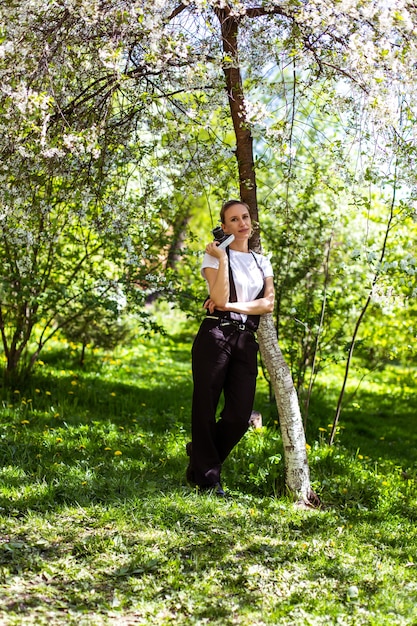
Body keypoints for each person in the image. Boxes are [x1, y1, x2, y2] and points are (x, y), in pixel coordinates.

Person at [186, 199, 275, 496]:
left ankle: (199, 455)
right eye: (234, 220)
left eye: (245, 217)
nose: (242, 224)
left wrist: (233, 306)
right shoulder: (213, 257)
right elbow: (218, 294)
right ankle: (209, 480)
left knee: (239, 415)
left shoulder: (262, 261)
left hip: (245, 341)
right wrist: (223, 259)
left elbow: (268, 304)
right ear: (224, 227)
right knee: (205, 408)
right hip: (215, 336)